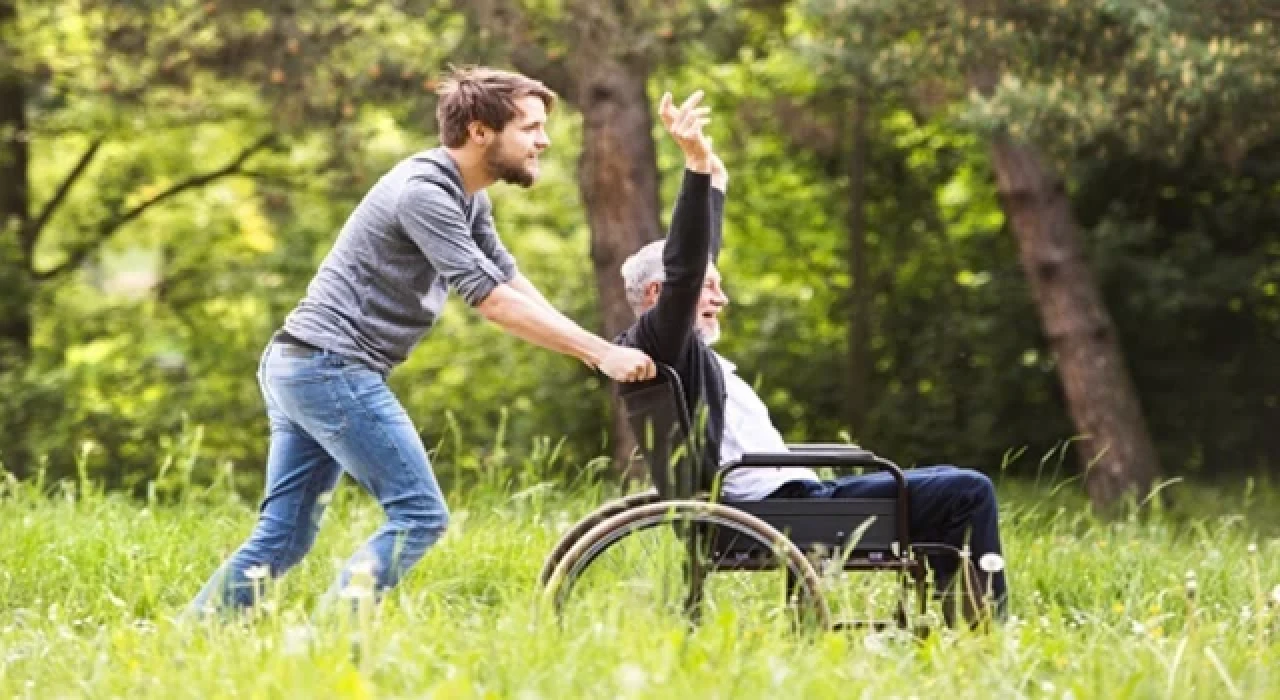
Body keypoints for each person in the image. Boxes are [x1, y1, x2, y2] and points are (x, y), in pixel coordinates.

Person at [190, 66, 656, 616]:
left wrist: (595, 348)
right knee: (419, 515)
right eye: (529, 127)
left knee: (284, 536)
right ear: (480, 131)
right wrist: (600, 354)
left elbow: (509, 278)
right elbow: (492, 302)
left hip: (301, 363)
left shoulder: (466, 195)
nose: (543, 140)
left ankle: (193, 635)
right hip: (329, 368)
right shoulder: (423, 194)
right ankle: (329, 643)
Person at [616, 90, 1008, 619]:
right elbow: (686, 265)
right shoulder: (665, 344)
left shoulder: (674, 351)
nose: (720, 298)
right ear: (661, 297)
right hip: (777, 513)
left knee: (946, 480)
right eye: (708, 289)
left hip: (789, 501)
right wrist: (692, 169)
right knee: (967, 491)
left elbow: (693, 260)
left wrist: (711, 175)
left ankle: (960, 618)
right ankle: (984, 629)